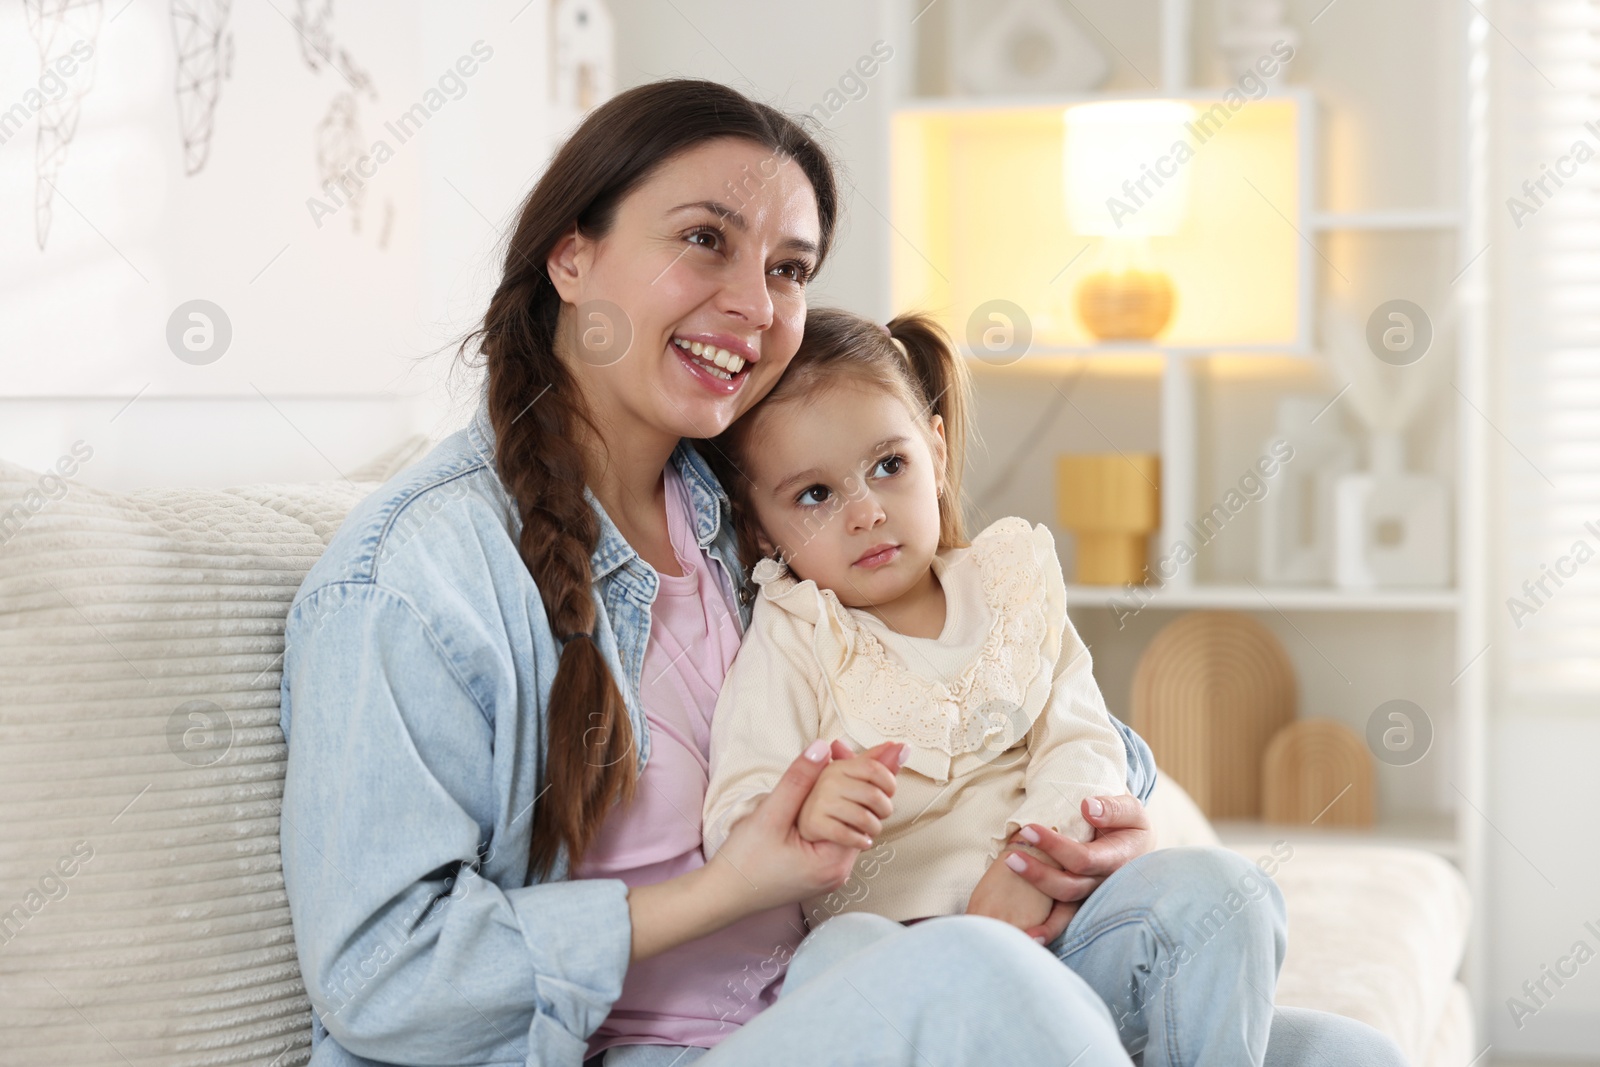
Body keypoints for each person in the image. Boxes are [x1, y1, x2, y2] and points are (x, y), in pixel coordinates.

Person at [276, 77, 1407, 1067]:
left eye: (788, 267)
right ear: (572, 253)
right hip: (668, 1043)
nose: (754, 306)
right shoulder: (416, 578)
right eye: (704, 240)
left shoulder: (743, 504)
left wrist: (1096, 816)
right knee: (978, 978)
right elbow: (382, 978)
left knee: (1346, 1051)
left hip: (843, 991)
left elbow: (993, 687)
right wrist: (729, 883)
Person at [703, 306, 1283, 1065]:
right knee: (835, 954)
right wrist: (807, 803)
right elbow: (733, 818)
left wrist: (1027, 863)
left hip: (1058, 925)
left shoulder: (1009, 588)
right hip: (913, 959)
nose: (868, 511)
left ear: (936, 453)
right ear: (760, 528)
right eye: (815, 495)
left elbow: (1082, 744)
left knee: (1226, 890)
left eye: (889, 465)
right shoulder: (796, 635)